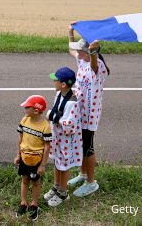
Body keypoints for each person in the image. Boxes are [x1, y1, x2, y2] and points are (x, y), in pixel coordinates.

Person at [66, 25, 110, 197]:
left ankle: (91, 183)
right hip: (80, 111)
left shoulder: (96, 65)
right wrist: (70, 33)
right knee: (81, 144)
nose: (78, 52)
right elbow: (71, 49)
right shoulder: (82, 60)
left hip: (90, 115)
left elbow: (93, 62)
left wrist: (93, 52)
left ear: (89, 52)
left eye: (81, 50)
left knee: (87, 147)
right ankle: (82, 174)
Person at [43, 67, 82, 207]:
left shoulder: (72, 102)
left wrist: (52, 117)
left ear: (63, 84)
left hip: (66, 140)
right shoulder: (59, 94)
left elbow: (69, 125)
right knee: (57, 163)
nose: (54, 81)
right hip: (57, 137)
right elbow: (56, 112)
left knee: (64, 166)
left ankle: (63, 193)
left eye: (56, 80)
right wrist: (53, 116)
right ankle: (56, 186)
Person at [15, 95, 51, 221]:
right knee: (24, 180)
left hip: (37, 160)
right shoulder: (24, 120)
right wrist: (18, 155)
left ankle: (34, 204)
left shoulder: (45, 126)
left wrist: (42, 165)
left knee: (36, 182)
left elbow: (47, 146)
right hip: (24, 158)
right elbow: (20, 139)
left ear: (36, 110)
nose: (25, 109)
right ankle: (23, 203)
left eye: (27, 107)